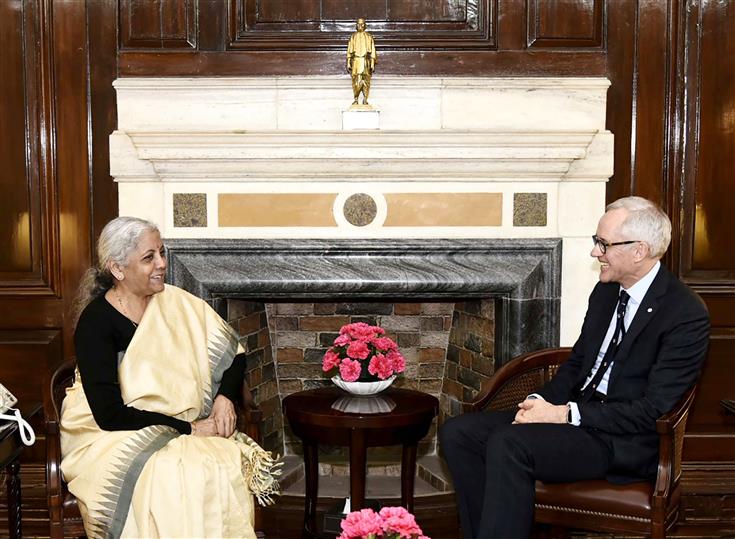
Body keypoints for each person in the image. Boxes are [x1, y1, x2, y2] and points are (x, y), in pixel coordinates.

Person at [440, 196, 710, 539]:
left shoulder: (685, 313)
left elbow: (652, 410)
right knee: (459, 433)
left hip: (621, 440)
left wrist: (564, 414)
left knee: (510, 442)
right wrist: (538, 401)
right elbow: (578, 363)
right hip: (578, 420)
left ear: (638, 250)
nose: (595, 253)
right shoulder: (606, 293)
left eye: (603, 244)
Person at [60, 216, 280, 539]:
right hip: (110, 434)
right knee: (175, 475)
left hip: (177, 424)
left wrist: (224, 398)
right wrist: (190, 429)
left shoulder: (174, 302)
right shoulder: (95, 324)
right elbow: (109, 415)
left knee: (214, 464)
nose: (163, 264)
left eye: (161, 253)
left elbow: (234, 352)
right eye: (149, 258)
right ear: (117, 269)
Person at [346, 18, 376, 106]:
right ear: (356, 25)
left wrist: (372, 62)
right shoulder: (353, 36)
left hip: (366, 61)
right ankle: (356, 98)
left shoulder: (369, 36)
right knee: (357, 80)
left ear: (365, 25)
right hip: (356, 61)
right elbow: (349, 50)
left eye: (362, 24)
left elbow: (372, 50)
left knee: (366, 81)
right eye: (359, 24)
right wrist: (348, 62)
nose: (360, 25)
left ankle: (365, 99)